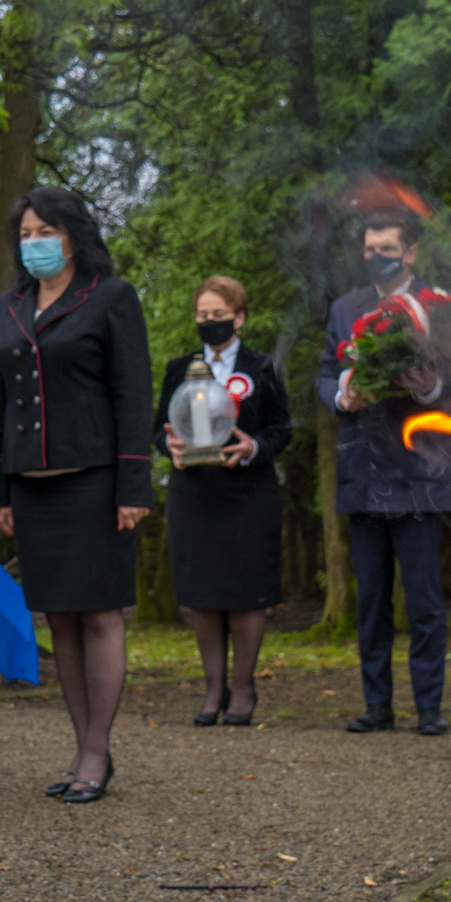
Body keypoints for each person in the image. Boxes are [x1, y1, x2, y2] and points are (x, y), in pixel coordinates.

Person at [0, 186, 153, 804]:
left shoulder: (111, 298)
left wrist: (134, 485)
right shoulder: (8, 307)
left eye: (45, 232)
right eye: (26, 234)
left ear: (73, 236)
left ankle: (96, 752)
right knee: (58, 616)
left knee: (100, 613)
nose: (34, 243)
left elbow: (133, 395)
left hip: (97, 483)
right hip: (32, 489)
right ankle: (83, 750)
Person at [315, 209, 451, 736]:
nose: (377, 256)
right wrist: (341, 394)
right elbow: (327, 373)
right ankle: (377, 706)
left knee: (424, 602)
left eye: (388, 247)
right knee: (370, 601)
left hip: (422, 472)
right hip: (362, 471)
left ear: (411, 252)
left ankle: (429, 709)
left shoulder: (440, 308)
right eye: (370, 248)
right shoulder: (344, 308)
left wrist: (426, 386)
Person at [155, 276, 293, 727]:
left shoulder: (262, 367)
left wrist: (251, 448)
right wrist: (169, 446)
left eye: (218, 315)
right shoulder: (180, 369)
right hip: (194, 494)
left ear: (240, 317)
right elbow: (159, 427)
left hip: (248, 495)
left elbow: (281, 429)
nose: (210, 323)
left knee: (245, 592)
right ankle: (212, 689)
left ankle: (243, 688)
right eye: (203, 316)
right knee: (204, 594)